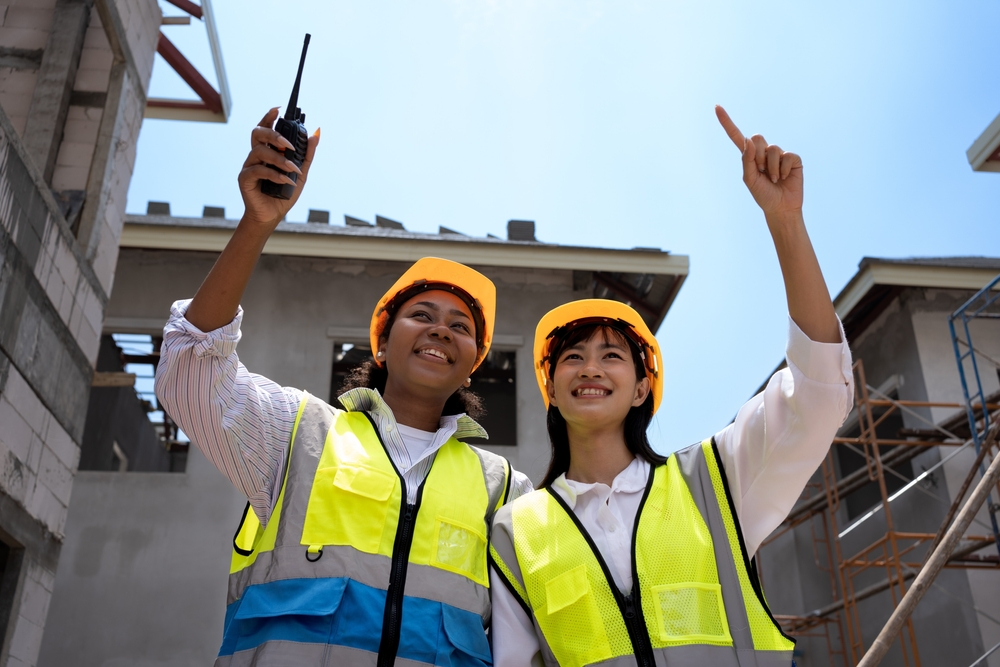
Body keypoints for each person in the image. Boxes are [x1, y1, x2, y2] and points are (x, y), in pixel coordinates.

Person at [155, 108, 531, 667]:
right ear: (380, 343)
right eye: (421, 315)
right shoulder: (297, 434)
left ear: (471, 364)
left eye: (460, 327)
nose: (439, 331)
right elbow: (189, 373)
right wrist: (257, 222)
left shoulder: (505, 492)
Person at [487, 106, 854, 667]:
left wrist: (785, 222)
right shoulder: (517, 529)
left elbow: (819, 393)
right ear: (551, 389)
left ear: (641, 389)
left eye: (612, 356)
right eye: (573, 358)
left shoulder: (717, 480)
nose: (590, 368)